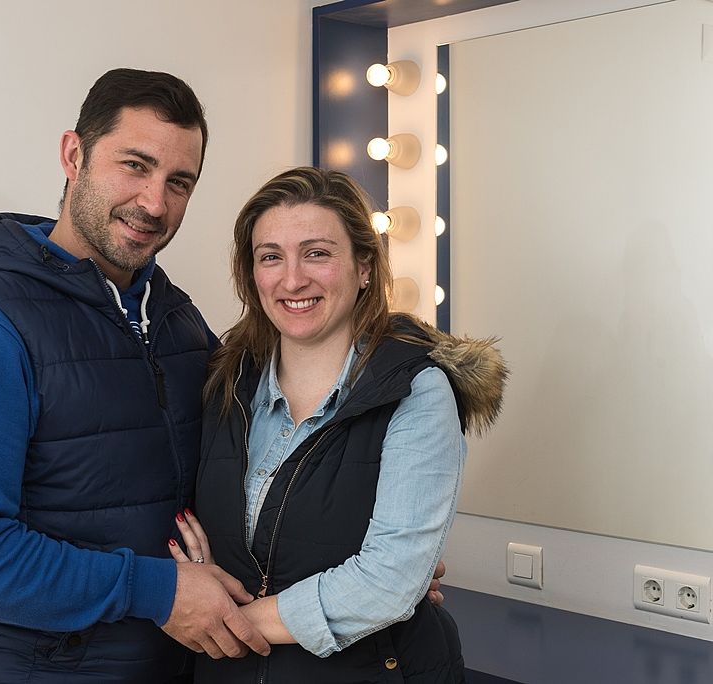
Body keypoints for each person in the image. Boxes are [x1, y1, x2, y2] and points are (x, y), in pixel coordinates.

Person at [0, 68, 272, 683]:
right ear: (73, 155)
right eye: (135, 165)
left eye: (178, 182)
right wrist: (157, 591)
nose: (155, 203)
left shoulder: (175, 316)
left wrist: (366, 557)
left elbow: (263, 451)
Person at [168, 167, 508, 683]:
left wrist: (223, 617)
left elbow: (389, 580)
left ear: (364, 266)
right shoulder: (223, 380)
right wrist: (193, 582)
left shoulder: (416, 390)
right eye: (271, 257)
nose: (292, 278)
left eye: (317, 253)